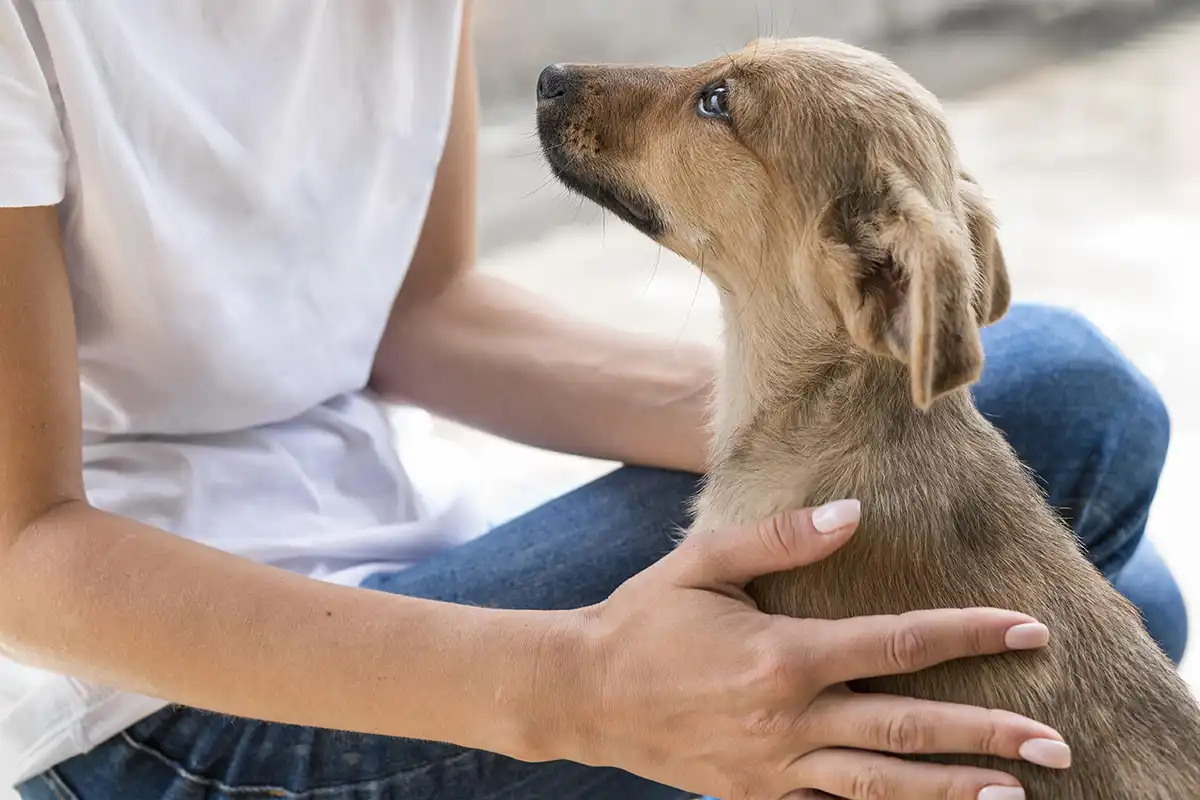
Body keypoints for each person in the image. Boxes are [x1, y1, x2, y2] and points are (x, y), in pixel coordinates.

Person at [0, 2, 1186, 799]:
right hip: (150, 703)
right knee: (1066, 428)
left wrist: (806, 400)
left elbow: (422, 312)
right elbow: (18, 554)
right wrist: (582, 688)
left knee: (1100, 593)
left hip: (404, 558)